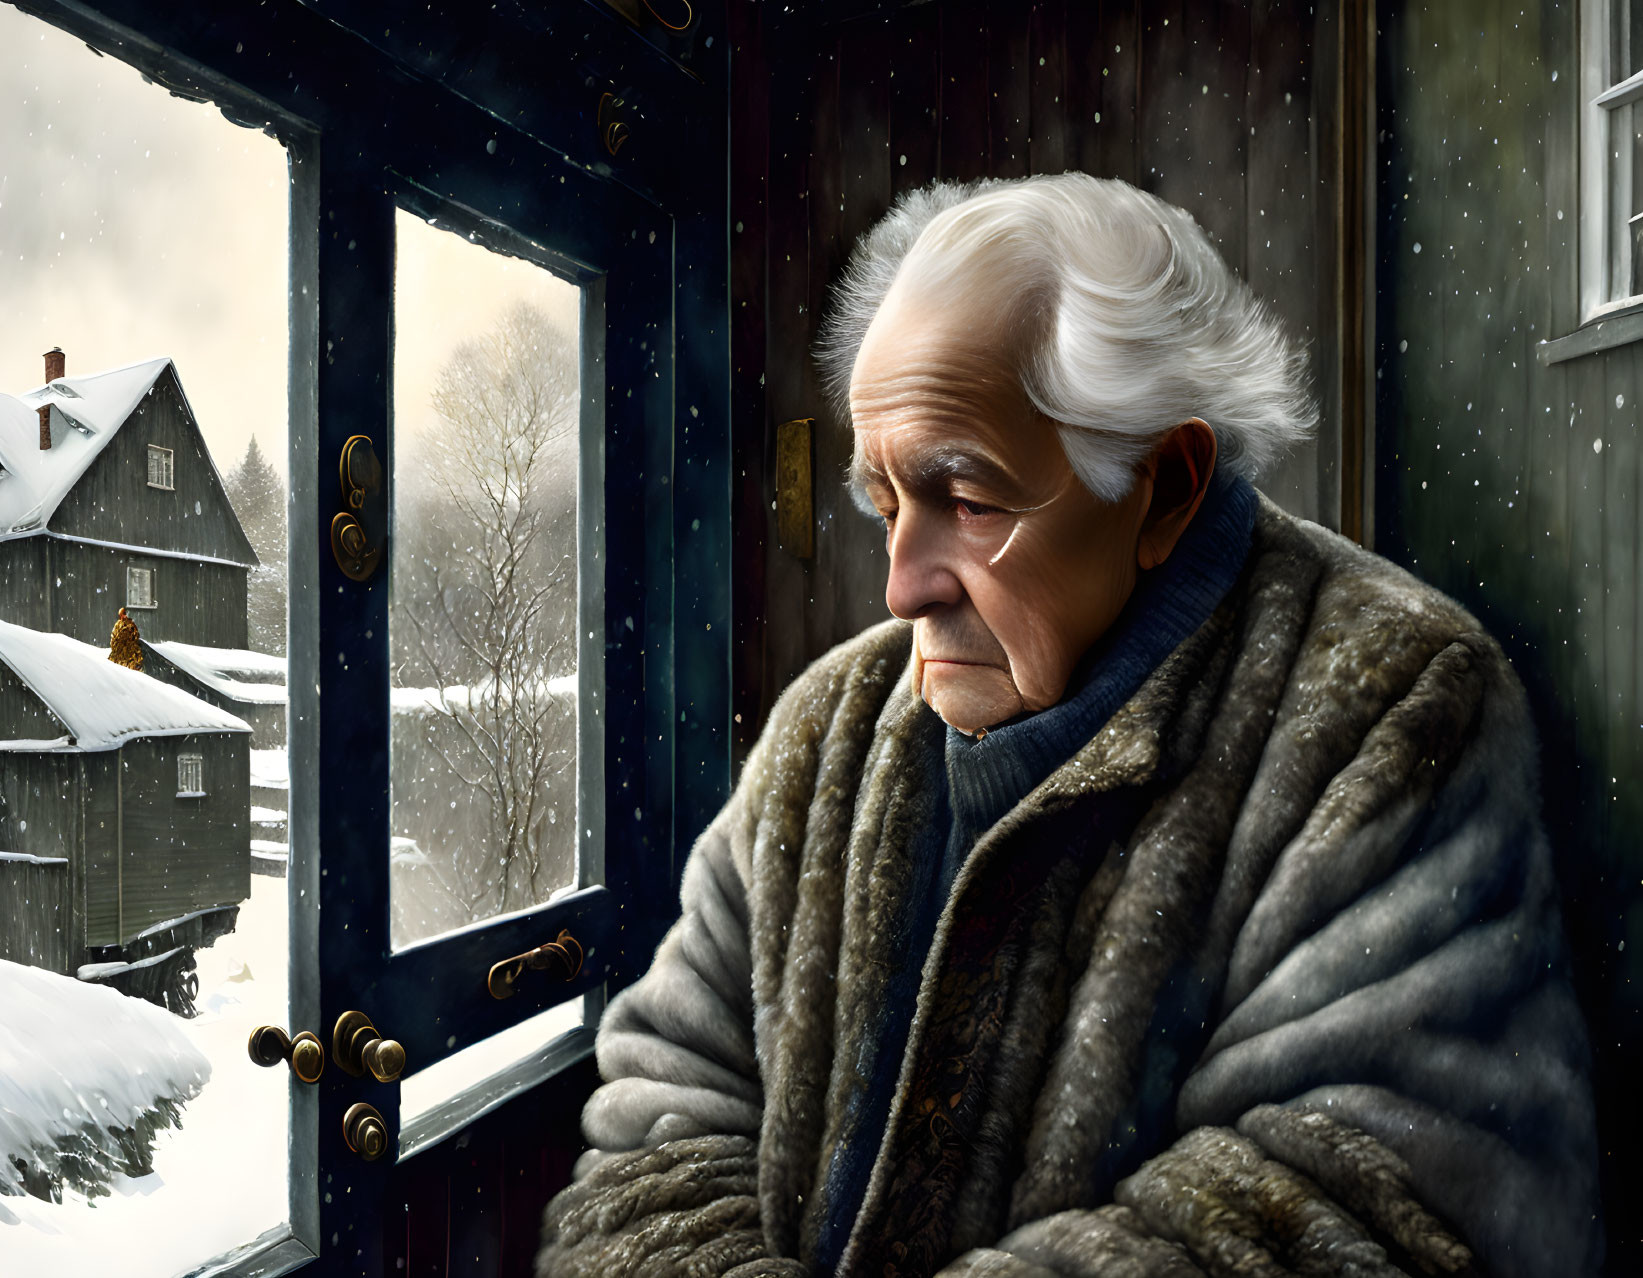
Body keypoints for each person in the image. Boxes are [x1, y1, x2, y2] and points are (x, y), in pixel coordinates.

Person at [537, 174, 1601, 1278]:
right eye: (885, 501)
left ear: (1166, 484)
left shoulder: (1391, 701)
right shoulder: (827, 729)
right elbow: (660, 1120)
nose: (900, 587)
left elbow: (1369, 1197)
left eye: (967, 502)